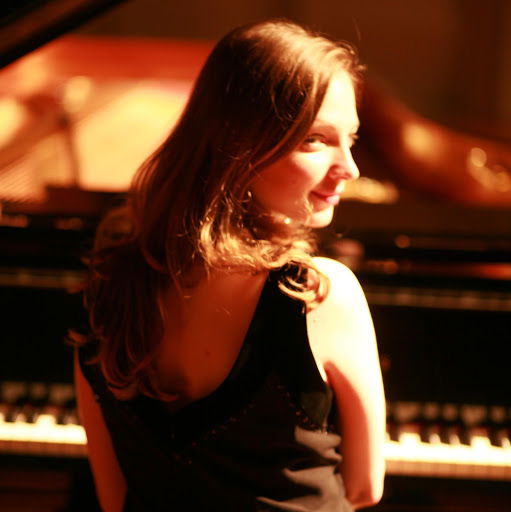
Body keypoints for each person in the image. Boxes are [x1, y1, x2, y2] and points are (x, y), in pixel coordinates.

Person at [73, 18, 386, 512]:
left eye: (351, 138)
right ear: (242, 146)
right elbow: (366, 488)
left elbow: (113, 500)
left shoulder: (103, 290)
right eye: (315, 139)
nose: (350, 167)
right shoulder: (320, 295)